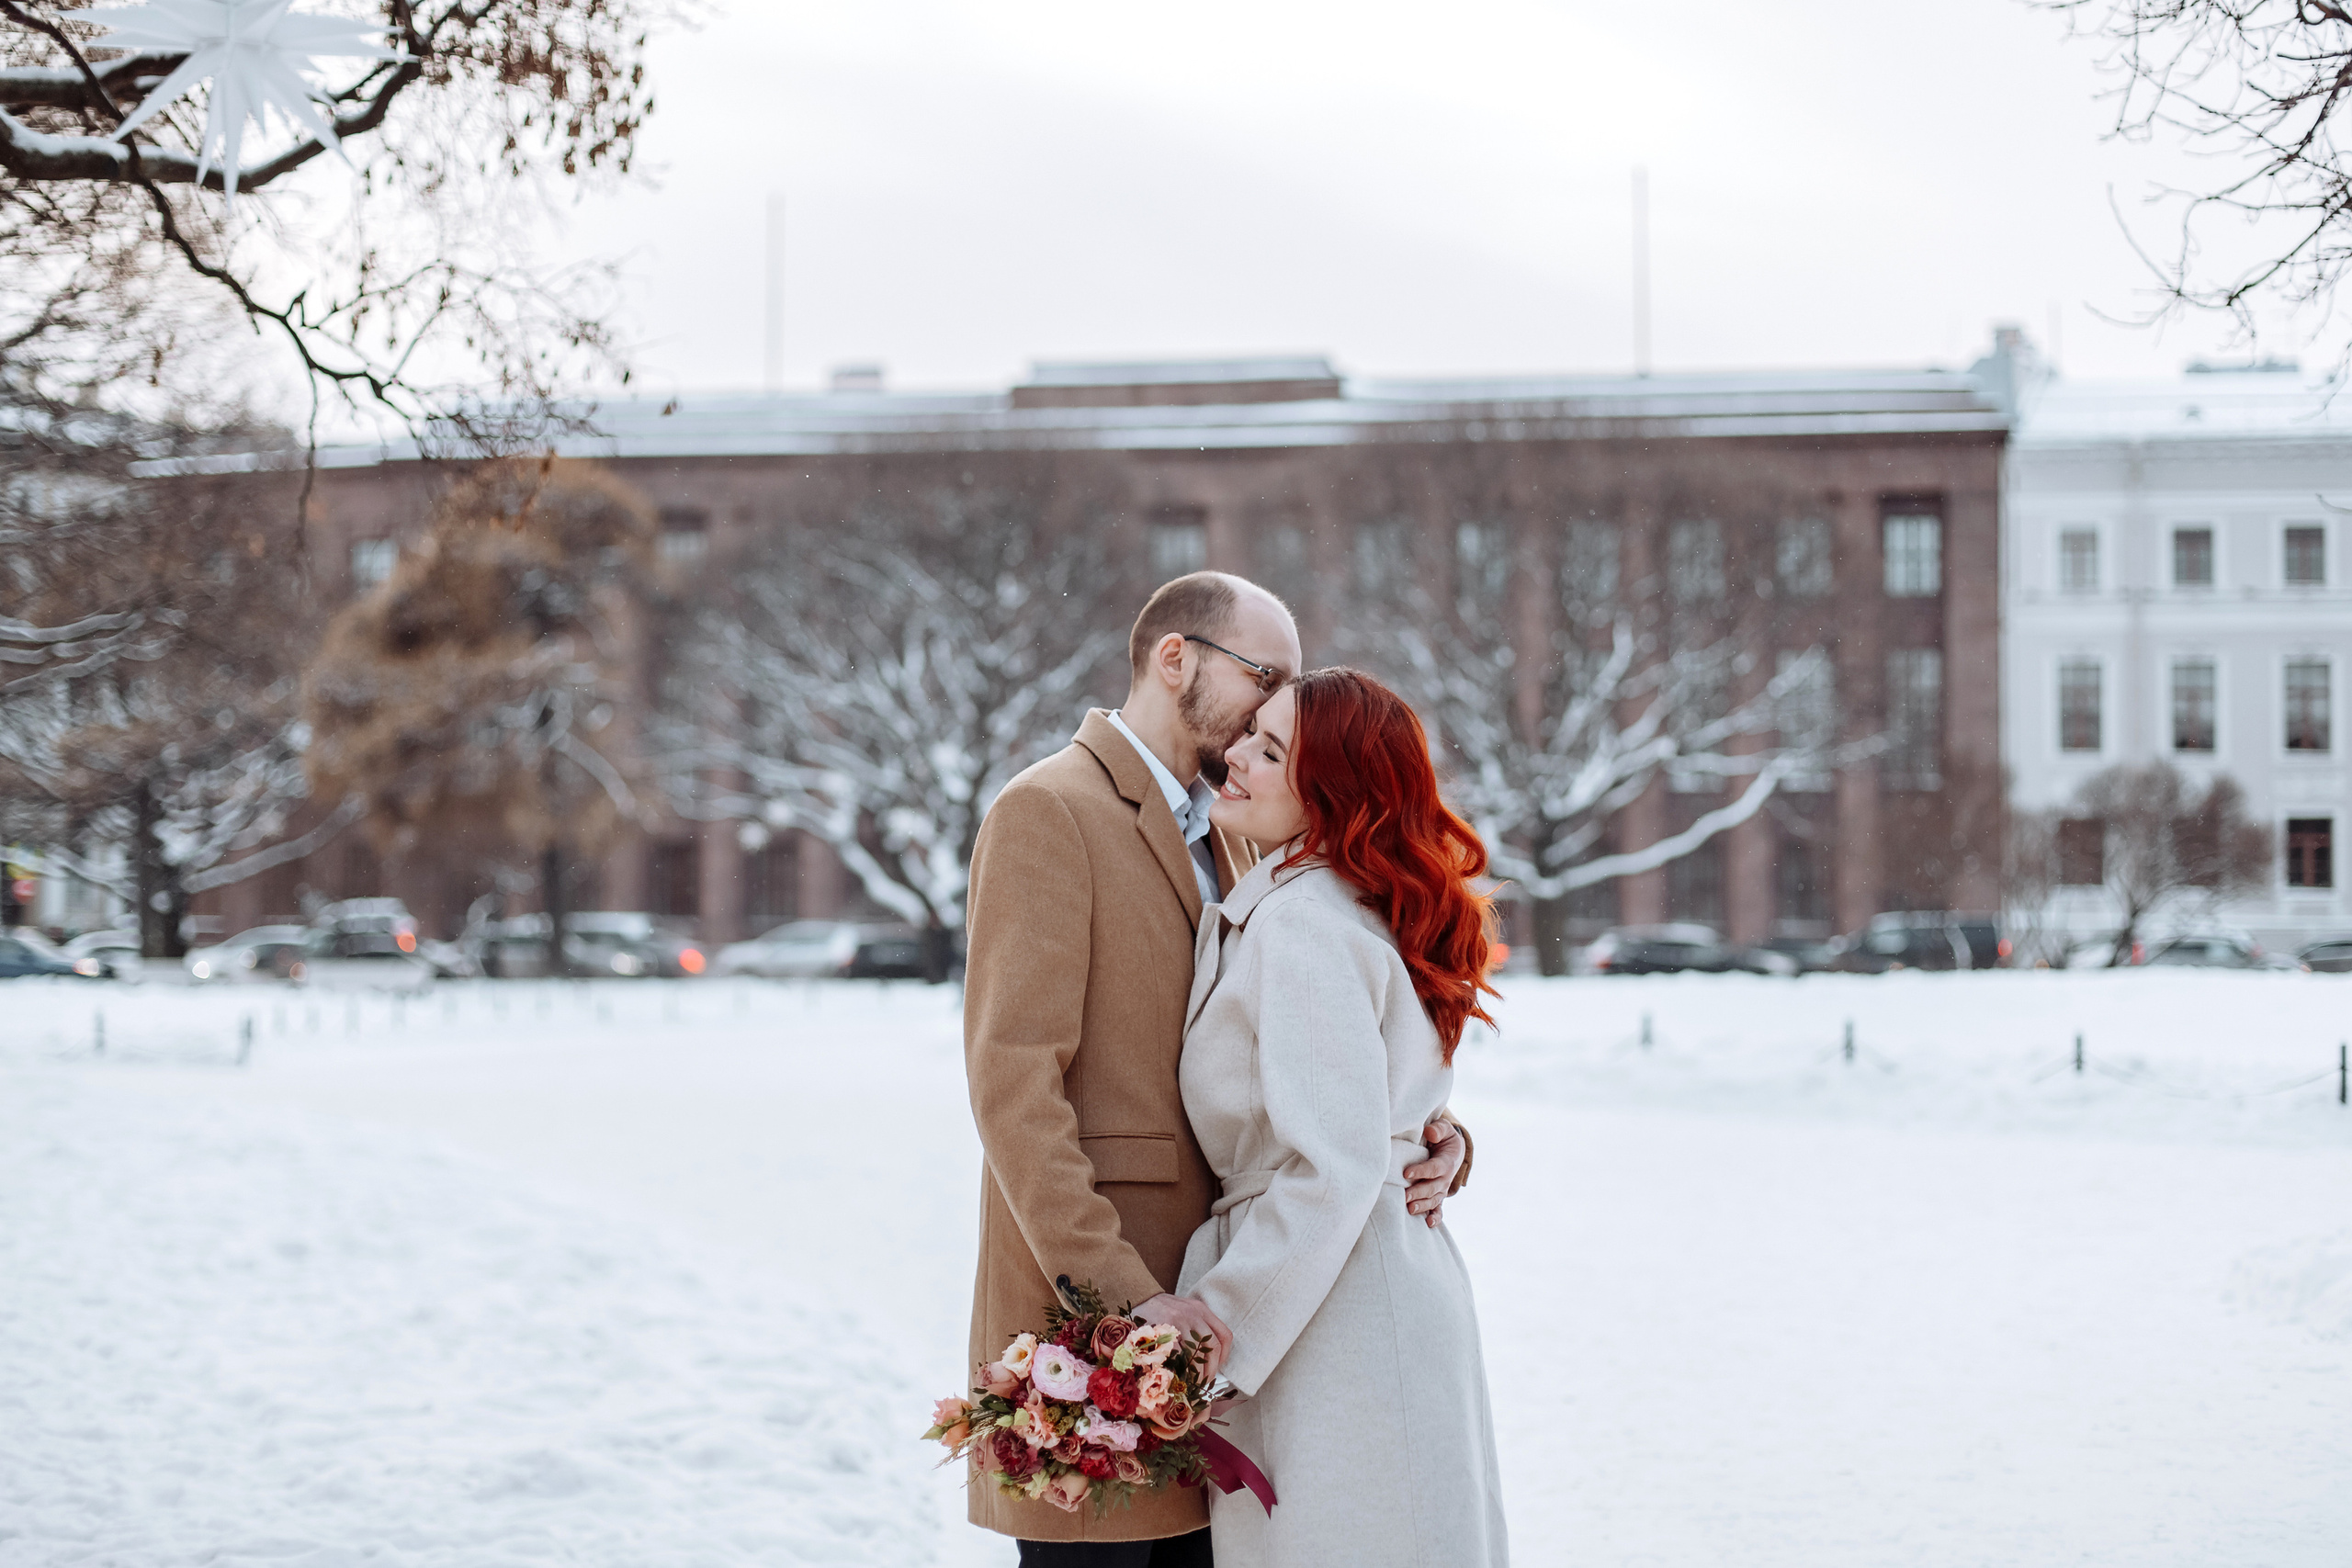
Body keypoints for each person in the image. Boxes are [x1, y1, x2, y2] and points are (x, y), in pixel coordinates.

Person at [964, 574, 1474, 1565]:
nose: (1272, 708)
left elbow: (1302, 1056)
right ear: (1175, 658)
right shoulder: (1050, 811)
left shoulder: (1246, 835)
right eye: (1264, 676)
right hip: (1103, 1332)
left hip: (1240, 1336)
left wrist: (1421, 1139)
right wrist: (1122, 1302)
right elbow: (1014, 1089)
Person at [1176, 666, 1509, 1568]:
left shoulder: (1302, 923)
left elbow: (1335, 1168)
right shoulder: (1329, 905)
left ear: (1330, 795)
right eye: (1247, 735)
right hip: (1363, 1286)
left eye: (1270, 750)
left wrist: (1205, 1338)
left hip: (1340, 1309)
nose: (1233, 757)